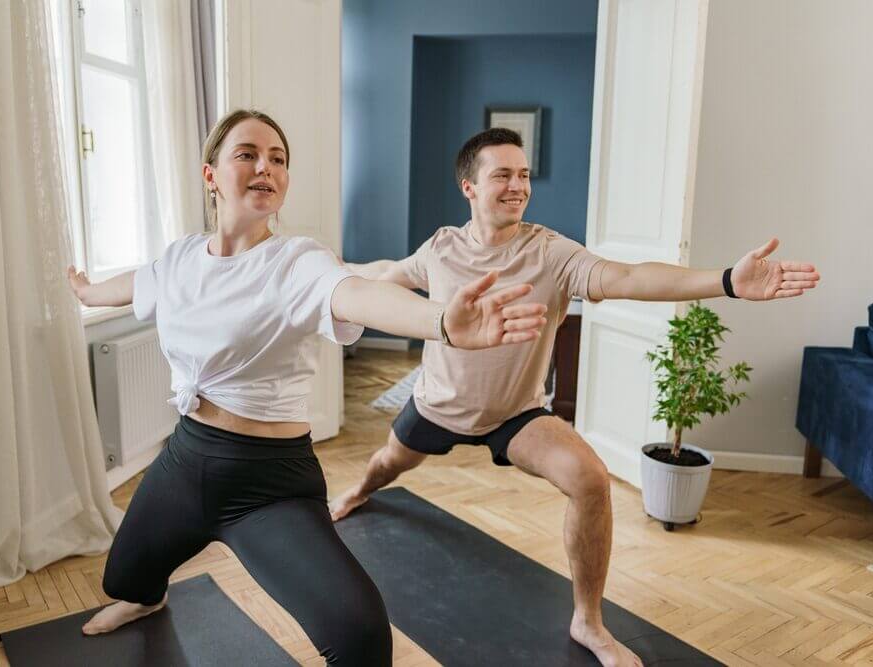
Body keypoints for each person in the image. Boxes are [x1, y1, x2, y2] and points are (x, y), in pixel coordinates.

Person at [66, 110, 548, 666]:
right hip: (185, 460)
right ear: (211, 175)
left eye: (278, 159)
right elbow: (136, 283)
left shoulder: (297, 261)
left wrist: (441, 321)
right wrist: (88, 292)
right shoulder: (178, 258)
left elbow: (356, 294)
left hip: (268, 483)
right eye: (247, 154)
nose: (265, 167)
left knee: (361, 638)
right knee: (121, 579)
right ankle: (147, 599)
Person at [329, 127, 820, 667]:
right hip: (438, 404)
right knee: (385, 465)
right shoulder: (442, 248)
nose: (518, 185)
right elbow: (389, 280)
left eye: (523, 175)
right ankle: (356, 490)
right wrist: (336, 278)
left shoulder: (551, 253)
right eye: (503, 175)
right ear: (469, 187)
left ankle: (588, 620)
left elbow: (629, 276)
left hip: (515, 414)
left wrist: (726, 280)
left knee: (589, 479)